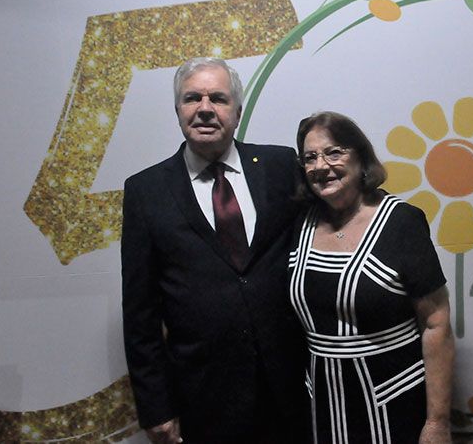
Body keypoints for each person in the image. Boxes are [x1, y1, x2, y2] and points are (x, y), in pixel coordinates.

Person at [121, 57, 308, 443]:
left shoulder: (280, 166)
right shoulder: (145, 191)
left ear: (237, 112)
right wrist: (156, 406)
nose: (205, 108)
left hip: (294, 388)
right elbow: (141, 313)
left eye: (218, 99)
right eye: (193, 98)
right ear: (178, 110)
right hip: (205, 398)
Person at [289, 111, 455, 444]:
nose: (321, 165)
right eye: (310, 158)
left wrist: (437, 422)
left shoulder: (401, 223)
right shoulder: (300, 223)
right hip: (322, 405)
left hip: (393, 402)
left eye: (334, 152)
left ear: (360, 157)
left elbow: (436, 324)